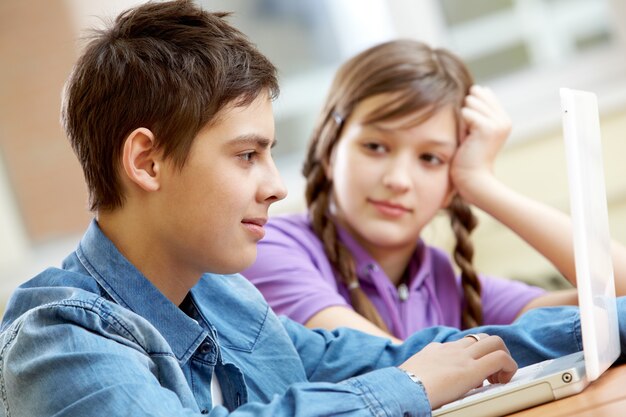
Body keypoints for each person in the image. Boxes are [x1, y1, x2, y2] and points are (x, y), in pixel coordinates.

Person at [0, 2, 621, 416]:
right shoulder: (59, 338)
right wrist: (406, 389)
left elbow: (394, 357)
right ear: (147, 162)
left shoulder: (223, 296)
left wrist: (608, 321)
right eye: (247, 156)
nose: (276, 187)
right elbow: (403, 376)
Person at [242, 40, 626, 342]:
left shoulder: (445, 283)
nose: (399, 180)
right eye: (376, 146)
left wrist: (482, 186)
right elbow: (398, 365)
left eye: (430, 158)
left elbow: (617, 298)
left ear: (450, 184)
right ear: (329, 149)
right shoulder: (271, 248)